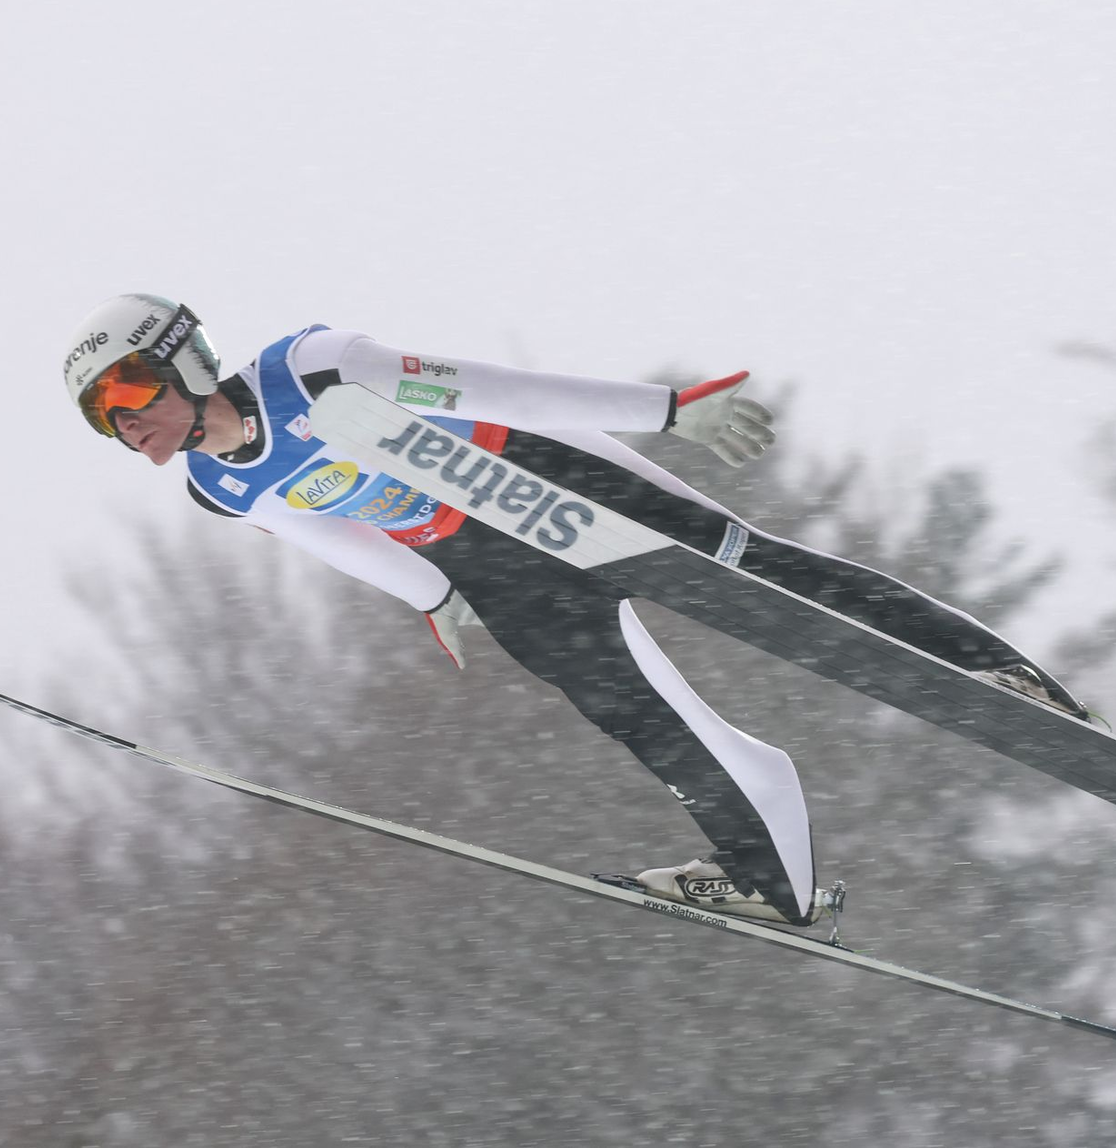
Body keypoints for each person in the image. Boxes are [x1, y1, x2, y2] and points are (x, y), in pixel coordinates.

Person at [63, 294, 1091, 929]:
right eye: (106, 419)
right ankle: (769, 869)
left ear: (184, 358)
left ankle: (992, 672)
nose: (129, 424)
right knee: (633, 713)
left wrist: (667, 411)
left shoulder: (315, 368)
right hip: (482, 561)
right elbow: (329, 534)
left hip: (542, 478)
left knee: (770, 577)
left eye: (130, 393)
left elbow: (500, 389)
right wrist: (434, 596)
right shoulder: (220, 486)